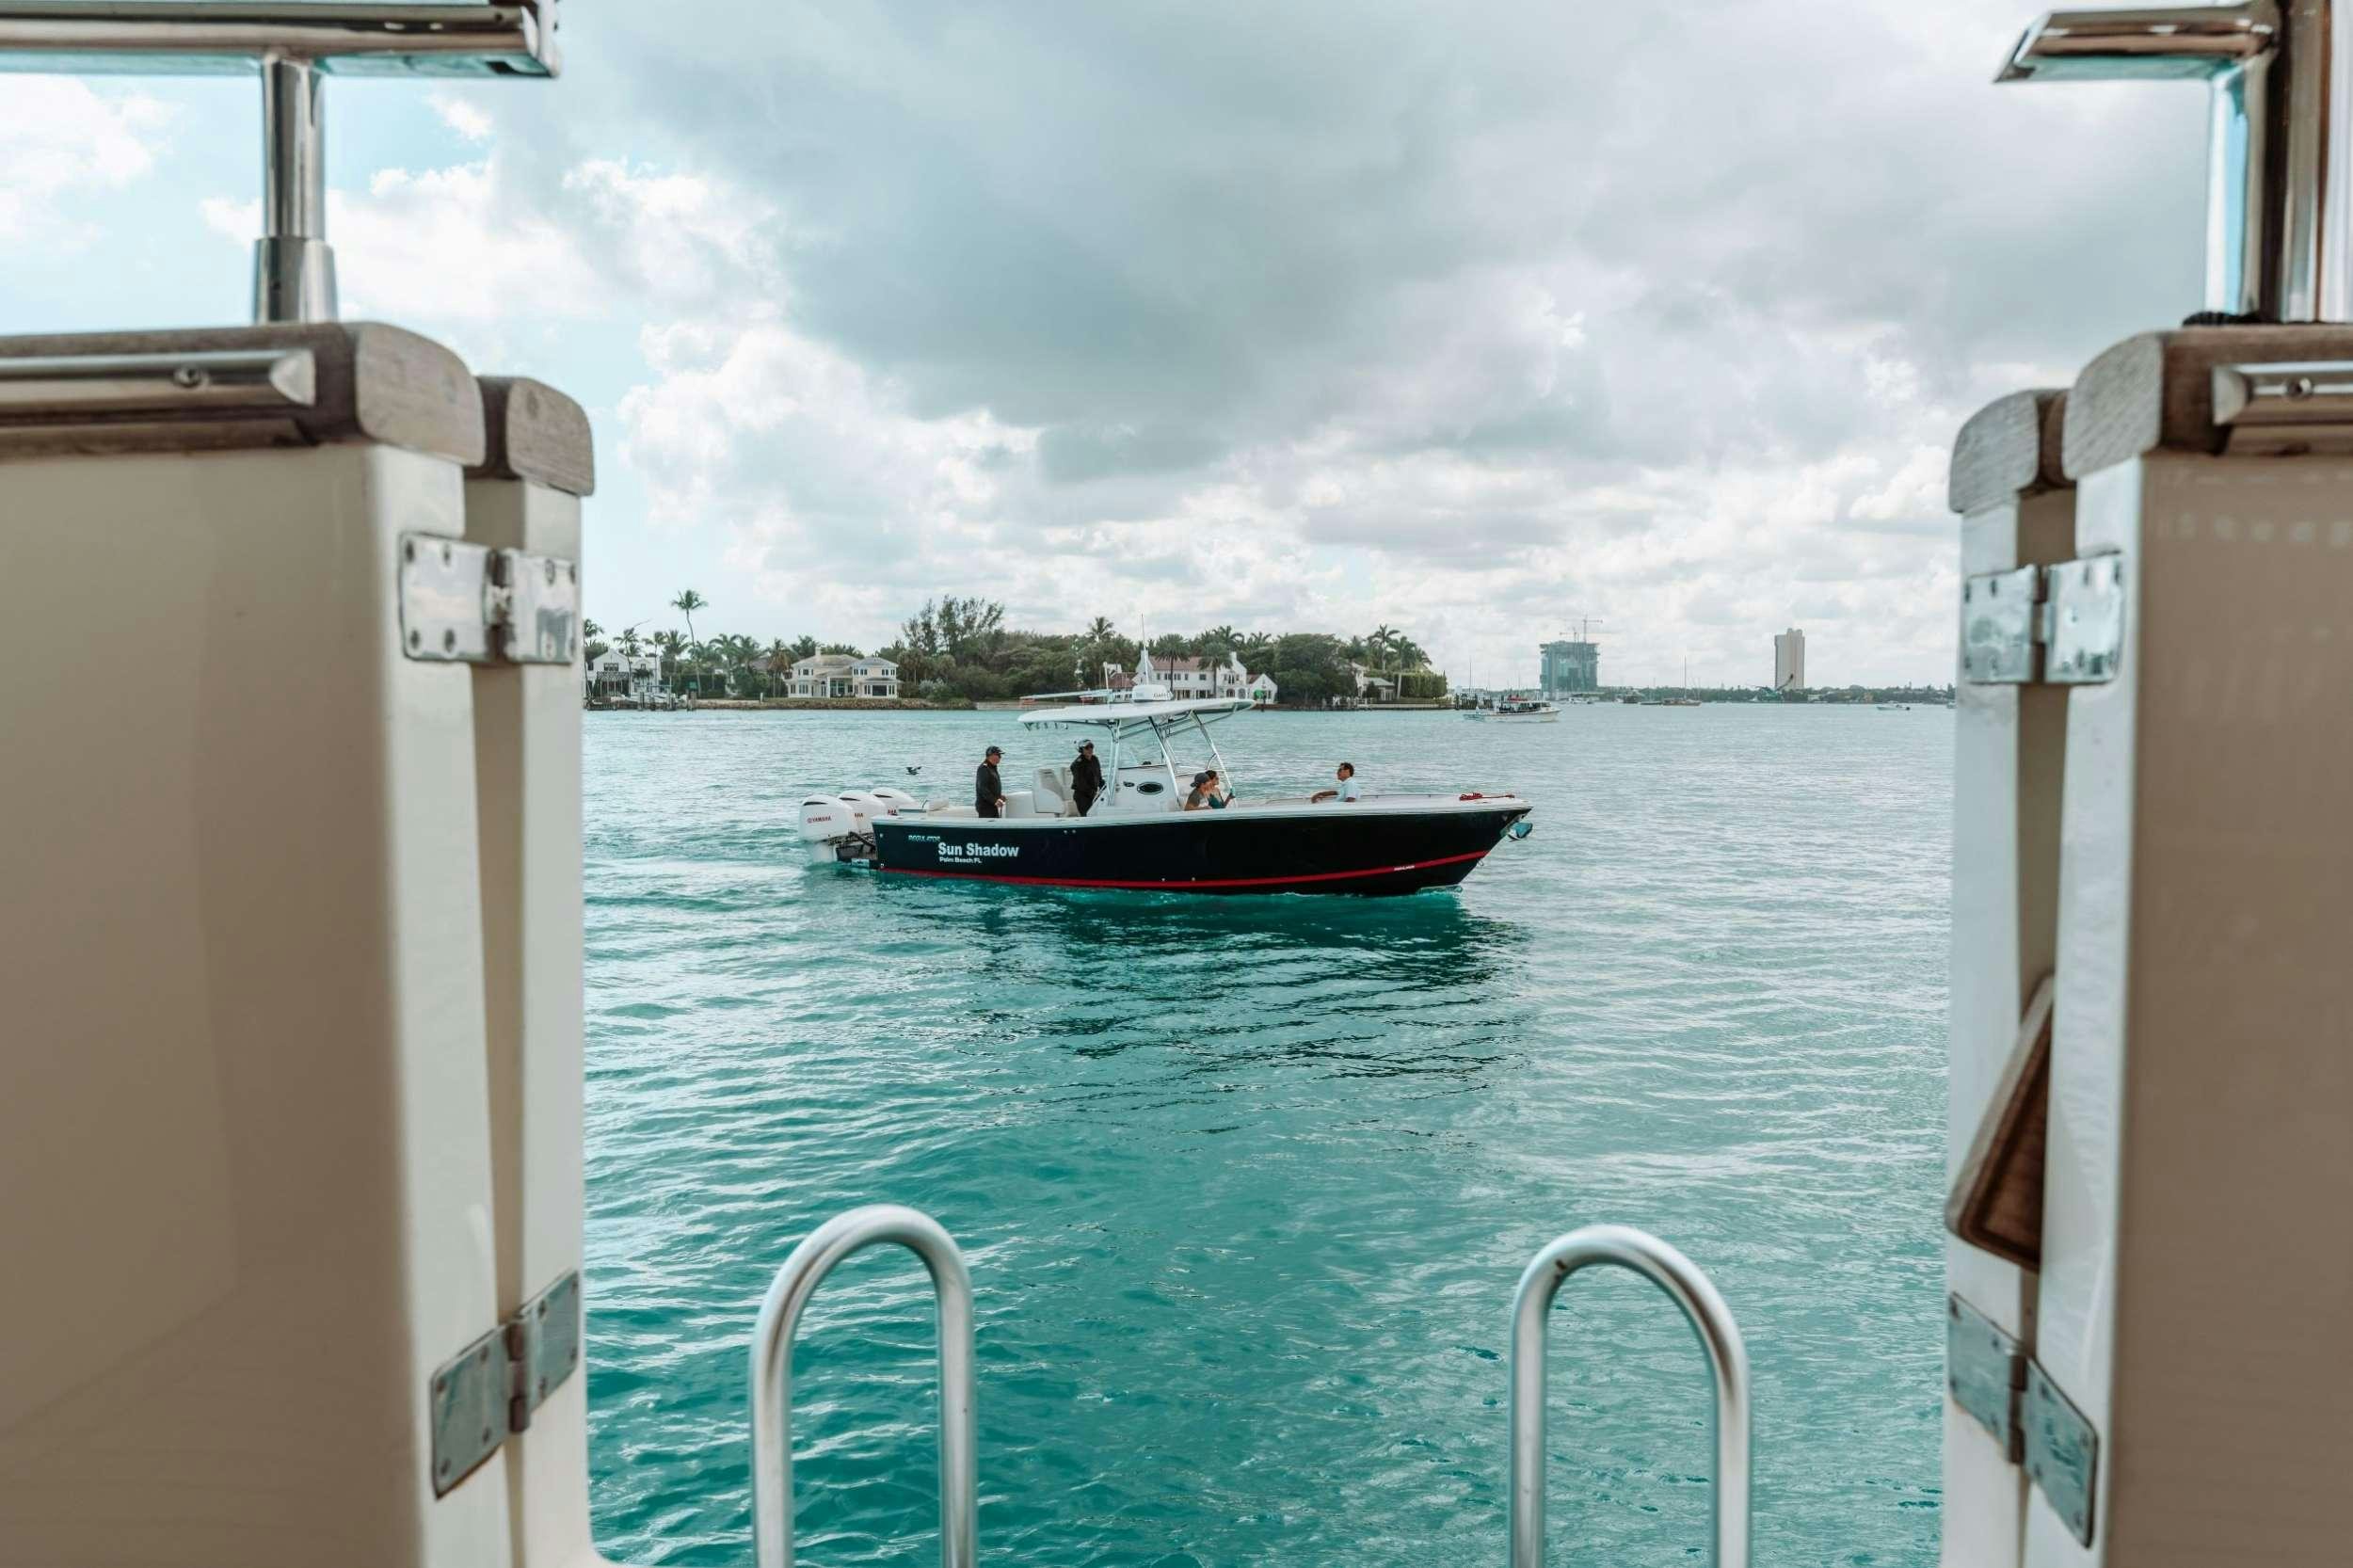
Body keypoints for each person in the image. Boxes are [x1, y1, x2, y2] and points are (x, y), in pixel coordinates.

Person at [1070, 740, 1104, 817]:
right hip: (1082, 796)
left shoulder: (1095, 759)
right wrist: (1094, 794)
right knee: (1087, 817)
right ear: (1081, 750)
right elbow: (1080, 784)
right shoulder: (1077, 764)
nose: (1090, 749)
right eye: (1087, 747)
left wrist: (1105, 788)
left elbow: (1099, 778)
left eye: (1091, 747)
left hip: (1094, 794)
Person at [974, 745, 1007, 819]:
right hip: (985, 807)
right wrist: (995, 800)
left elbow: (991, 786)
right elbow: (982, 788)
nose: (1000, 757)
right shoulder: (983, 768)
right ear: (991, 756)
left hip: (992, 805)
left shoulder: (992, 767)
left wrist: (999, 796)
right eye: (998, 755)